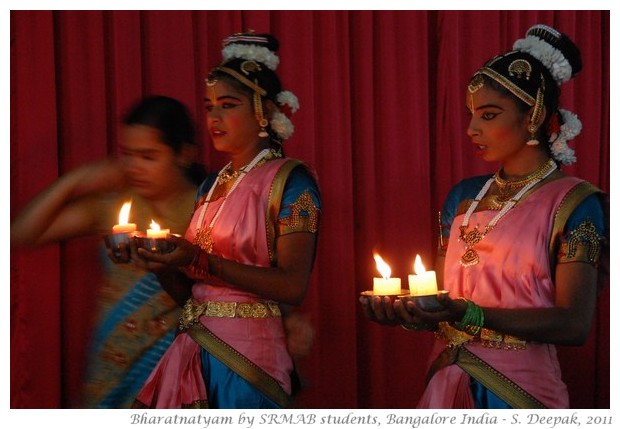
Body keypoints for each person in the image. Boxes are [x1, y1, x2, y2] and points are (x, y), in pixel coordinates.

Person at [359, 24, 608, 408]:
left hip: (520, 388)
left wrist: (471, 313)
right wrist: (410, 312)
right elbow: (442, 301)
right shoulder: (463, 197)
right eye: (471, 114)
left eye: (489, 115)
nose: (472, 129)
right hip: (448, 377)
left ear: (535, 116)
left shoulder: (575, 203)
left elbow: (573, 324)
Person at [132, 32, 321, 409]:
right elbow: (191, 293)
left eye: (228, 105)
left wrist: (198, 260)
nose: (214, 118)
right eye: (209, 106)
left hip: (249, 356)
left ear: (264, 111)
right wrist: (160, 262)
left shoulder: (290, 180)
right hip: (193, 346)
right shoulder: (210, 184)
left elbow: (292, 285)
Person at [10, 95, 207, 408]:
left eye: (148, 156)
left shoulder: (210, 213)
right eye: (128, 155)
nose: (134, 167)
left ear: (184, 154)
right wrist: (77, 180)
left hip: (177, 371)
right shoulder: (118, 207)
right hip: (111, 369)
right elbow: (20, 234)